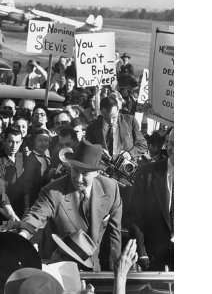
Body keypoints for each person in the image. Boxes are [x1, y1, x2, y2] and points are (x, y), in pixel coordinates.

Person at [19, 140, 122, 272]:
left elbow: (115, 234)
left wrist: (118, 272)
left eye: (85, 173)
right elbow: (36, 215)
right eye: (75, 170)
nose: (78, 179)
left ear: (97, 173)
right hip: (61, 266)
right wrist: (23, 235)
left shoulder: (111, 189)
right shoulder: (53, 191)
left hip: (94, 267)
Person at [129, 128, 174, 271]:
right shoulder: (147, 173)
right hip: (154, 257)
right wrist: (142, 253)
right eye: (171, 143)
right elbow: (135, 216)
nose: (173, 148)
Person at [86, 96, 147, 162]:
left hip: (125, 168)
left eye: (114, 117)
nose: (111, 121)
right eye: (106, 118)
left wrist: (130, 154)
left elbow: (142, 145)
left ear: (118, 110)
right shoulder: (92, 127)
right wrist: (98, 152)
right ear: (101, 112)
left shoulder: (130, 121)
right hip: (102, 169)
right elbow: (87, 150)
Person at [0, 126, 25, 222]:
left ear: (21, 142)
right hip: (3, 209)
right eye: (10, 141)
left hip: (22, 207)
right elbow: (0, 191)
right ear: (4, 141)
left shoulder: (22, 157)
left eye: (17, 142)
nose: (14, 146)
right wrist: (11, 214)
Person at [22, 128, 51, 211]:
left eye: (46, 140)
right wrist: (27, 207)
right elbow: (27, 186)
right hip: (34, 202)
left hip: (45, 200)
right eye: (40, 140)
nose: (43, 143)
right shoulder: (31, 160)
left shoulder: (47, 157)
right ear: (34, 142)